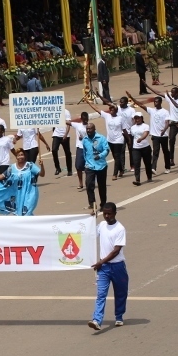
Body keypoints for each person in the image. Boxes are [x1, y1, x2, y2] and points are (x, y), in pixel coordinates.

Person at [88, 202, 128, 331]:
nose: (106, 216)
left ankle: (119, 316)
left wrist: (101, 261)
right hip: (104, 268)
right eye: (104, 213)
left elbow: (116, 251)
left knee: (120, 293)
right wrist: (90, 220)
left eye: (109, 214)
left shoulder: (120, 229)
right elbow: (90, 235)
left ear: (115, 213)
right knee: (101, 294)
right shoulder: (102, 225)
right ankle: (97, 320)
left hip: (117, 267)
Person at [0, 148, 45, 216]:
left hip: (29, 193)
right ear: (16, 157)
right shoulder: (12, 168)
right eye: (18, 155)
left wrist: (42, 165)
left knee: (27, 213)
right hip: (17, 195)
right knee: (19, 214)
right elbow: (2, 176)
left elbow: (42, 174)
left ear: (25, 156)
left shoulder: (30, 165)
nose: (20, 156)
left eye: (22, 155)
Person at [127, 92, 171, 175]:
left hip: (163, 135)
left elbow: (167, 123)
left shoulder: (165, 112)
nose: (155, 103)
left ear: (160, 102)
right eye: (154, 102)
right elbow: (141, 105)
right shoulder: (152, 110)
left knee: (165, 151)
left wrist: (164, 130)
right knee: (155, 151)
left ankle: (167, 167)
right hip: (155, 135)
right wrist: (132, 97)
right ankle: (153, 167)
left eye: (157, 102)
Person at [85, 101, 128, 180]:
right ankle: (121, 169)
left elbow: (124, 130)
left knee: (117, 156)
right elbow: (97, 109)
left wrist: (129, 139)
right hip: (110, 140)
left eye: (113, 109)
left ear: (116, 110)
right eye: (110, 109)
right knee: (115, 156)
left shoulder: (120, 118)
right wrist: (89, 103)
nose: (111, 110)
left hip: (119, 140)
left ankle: (115, 174)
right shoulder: (107, 116)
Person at [147, 84, 178, 167]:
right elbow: (158, 92)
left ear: (177, 93)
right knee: (171, 140)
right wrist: (147, 86)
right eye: (171, 93)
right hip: (173, 123)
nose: (171, 94)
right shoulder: (170, 98)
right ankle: (171, 159)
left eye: (173, 93)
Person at [82, 122, 110, 213]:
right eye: (87, 129)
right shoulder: (85, 139)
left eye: (90, 129)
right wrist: (86, 163)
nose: (88, 130)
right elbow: (84, 152)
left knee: (102, 186)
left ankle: (103, 204)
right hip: (89, 166)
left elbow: (106, 149)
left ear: (94, 129)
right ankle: (92, 204)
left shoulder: (101, 138)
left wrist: (100, 156)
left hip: (101, 166)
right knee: (89, 185)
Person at [129, 112, 153, 186]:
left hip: (145, 147)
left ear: (142, 118)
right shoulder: (132, 128)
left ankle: (149, 177)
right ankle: (137, 180)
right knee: (136, 164)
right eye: (135, 118)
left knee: (147, 163)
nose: (137, 119)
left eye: (138, 118)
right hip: (136, 148)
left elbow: (146, 133)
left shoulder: (145, 126)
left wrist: (141, 138)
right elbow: (132, 136)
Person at [51, 109, 73, 176]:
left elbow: (68, 124)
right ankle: (58, 168)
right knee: (54, 150)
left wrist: (66, 134)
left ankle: (69, 170)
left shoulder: (66, 112)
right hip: (56, 134)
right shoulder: (54, 111)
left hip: (64, 135)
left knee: (67, 152)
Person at [71, 112, 89, 190]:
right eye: (84, 119)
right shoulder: (78, 125)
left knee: (88, 167)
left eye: (86, 119)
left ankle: (89, 181)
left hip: (88, 148)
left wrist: (84, 138)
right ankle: (80, 182)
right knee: (78, 166)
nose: (85, 121)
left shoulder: (90, 126)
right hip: (80, 148)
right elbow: (68, 122)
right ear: (81, 119)